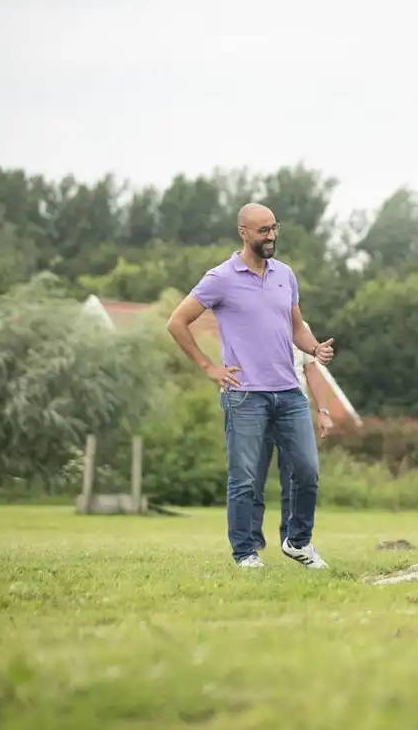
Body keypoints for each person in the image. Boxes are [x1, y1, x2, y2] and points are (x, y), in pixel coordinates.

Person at [165, 203, 335, 569]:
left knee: (307, 471)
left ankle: (297, 542)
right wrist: (208, 367)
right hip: (245, 396)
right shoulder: (220, 278)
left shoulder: (285, 274)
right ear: (243, 232)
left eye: (274, 228)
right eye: (263, 230)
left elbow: (297, 328)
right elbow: (177, 321)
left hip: (288, 393)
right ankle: (245, 553)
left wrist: (314, 348)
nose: (271, 236)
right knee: (243, 480)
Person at [251, 324, 337, 554]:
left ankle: (291, 539)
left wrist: (323, 411)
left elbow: (312, 370)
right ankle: (251, 539)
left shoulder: (300, 327)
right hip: (257, 407)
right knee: (252, 476)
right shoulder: (251, 319)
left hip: (293, 410)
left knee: (298, 475)